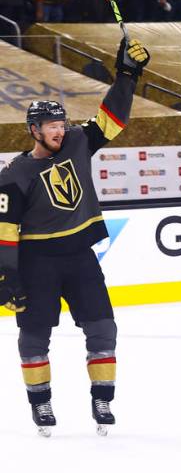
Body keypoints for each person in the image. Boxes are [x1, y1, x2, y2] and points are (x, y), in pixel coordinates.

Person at [0, 37, 151, 436]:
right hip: (37, 264)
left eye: (62, 123)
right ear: (34, 130)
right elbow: (5, 232)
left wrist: (127, 77)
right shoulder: (14, 176)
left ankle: (102, 399)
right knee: (34, 337)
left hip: (80, 257)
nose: (59, 130)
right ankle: (41, 405)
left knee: (103, 328)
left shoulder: (78, 143)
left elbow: (111, 120)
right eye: (51, 125)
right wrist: (7, 276)